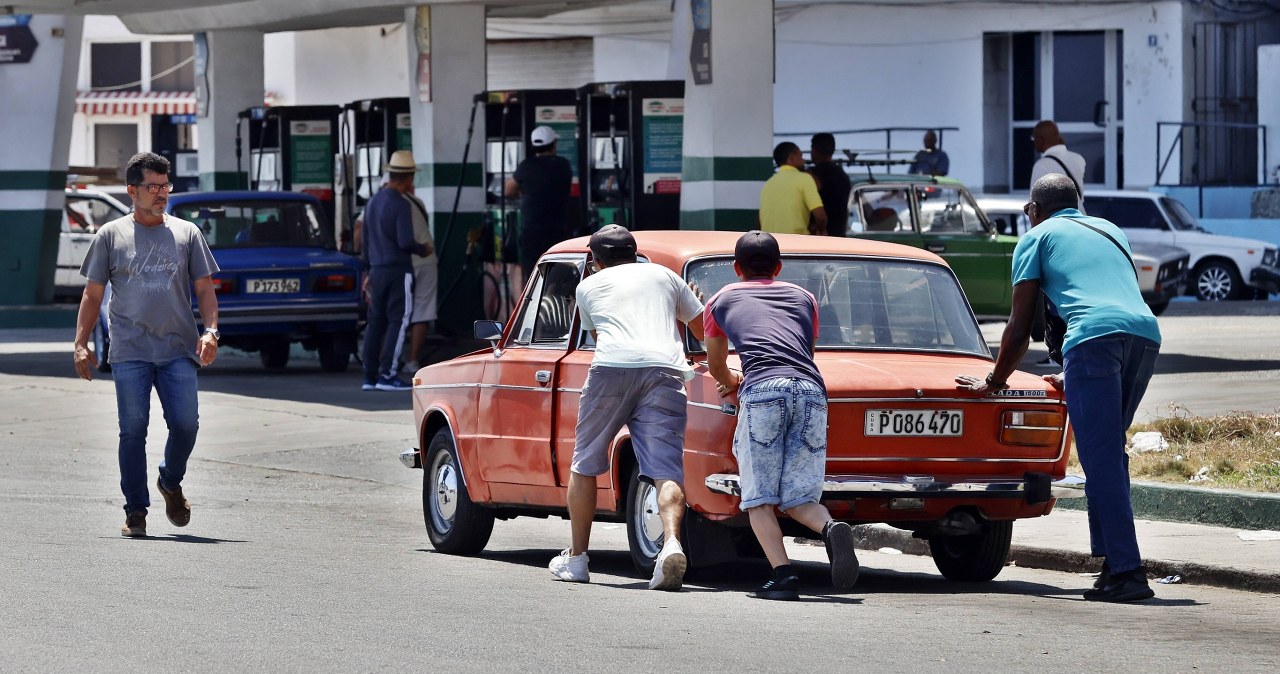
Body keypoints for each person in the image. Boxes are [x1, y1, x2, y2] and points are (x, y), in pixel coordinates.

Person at [956, 173, 1161, 603]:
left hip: (1092, 341)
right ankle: (1112, 563)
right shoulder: (1110, 230)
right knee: (1109, 453)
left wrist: (994, 381)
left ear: (1034, 209)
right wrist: (1076, 373)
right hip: (1144, 337)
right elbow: (1108, 295)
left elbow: (1018, 329)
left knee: (1100, 456)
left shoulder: (1035, 238)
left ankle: (1128, 572)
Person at [703, 230, 858, 601]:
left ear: (736, 268)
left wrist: (731, 381)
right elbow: (807, 350)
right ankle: (830, 526)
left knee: (758, 498)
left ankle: (783, 576)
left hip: (763, 391)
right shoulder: (804, 297)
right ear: (778, 267)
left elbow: (715, 363)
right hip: (810, 391)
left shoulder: (721, 299)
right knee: (798, 496)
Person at [548, 225, 705, 591]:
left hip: (612, 369)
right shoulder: (666, 276)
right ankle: (670, 545)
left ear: (596, 260)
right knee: (666, 469)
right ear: (635, 253)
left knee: (585, 462)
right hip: (666, 371)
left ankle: (577, 560)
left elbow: (604, 337)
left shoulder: (587, 286)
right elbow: (702, 327)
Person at [72, 151, 221, 538]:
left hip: (177, 349)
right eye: (152, 187)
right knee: (133, 429)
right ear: (132, 191)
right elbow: (92, 294)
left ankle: (170, 481)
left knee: (186, 425)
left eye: (165, 186)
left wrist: (211, 331)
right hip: (130, 349)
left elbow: (205, 289)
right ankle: (135, 510)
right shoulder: (111, 235)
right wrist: (81, 343)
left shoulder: (187, 233)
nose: (161, 194)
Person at [361, 150, 433, 392]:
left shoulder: (372, 202)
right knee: (398, 321)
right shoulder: (400, 204)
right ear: (409, 177)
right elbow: (404, 241)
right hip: (398, 270)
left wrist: (367, 272)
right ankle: (388, 373)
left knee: (375, 322)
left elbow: (366, 242)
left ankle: (369, 376)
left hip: (377, 269)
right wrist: (422, 248)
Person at [1029, 120, 1087, 367]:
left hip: (1055, 237)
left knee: (1053, 298)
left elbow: (1036, 209)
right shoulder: (1079, 160)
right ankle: (1073, 348)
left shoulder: (1042, 165)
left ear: (1040, 141)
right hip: (1082, 232)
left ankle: (1056, 354)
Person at [504, 125, 573, 281]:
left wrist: (523, 191)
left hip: (532, 231)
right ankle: (554, 303)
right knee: (558, 273)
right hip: (558, 229)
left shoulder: (526, 166)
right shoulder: (563, 165)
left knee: (533, 273)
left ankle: (534, 303)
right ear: (554, 144)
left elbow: (508, 190)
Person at [759, 141, 826, 236]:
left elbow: (759, 221)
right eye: (801, 156)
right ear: (791, 158)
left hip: (770, 244)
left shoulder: (768, 184)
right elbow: (820, 216)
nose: (804, 161)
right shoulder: (804, 178)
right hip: (795, 244)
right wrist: (821, 230)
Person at [403, 184, 437, 373]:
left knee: (394, 312)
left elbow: (359, 228)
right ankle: (412, 361)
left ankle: (385, 361)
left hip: (402, 263)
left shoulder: (380, 203)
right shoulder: (418, 202)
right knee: (423, 311)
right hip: (426, 260)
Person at [807, 133, 852, 237]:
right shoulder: (842, 175)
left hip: (820, 236)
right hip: (839, 235)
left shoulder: (811, 175)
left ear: (814, 149)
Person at [1030, 120, 1086, 203]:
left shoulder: (1042, 165)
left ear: (1041, 139)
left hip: (1057, 215)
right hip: (1079, 213)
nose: (1033, 141)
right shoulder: (1078, 159)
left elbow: (1035, 204)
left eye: (1034, 138)